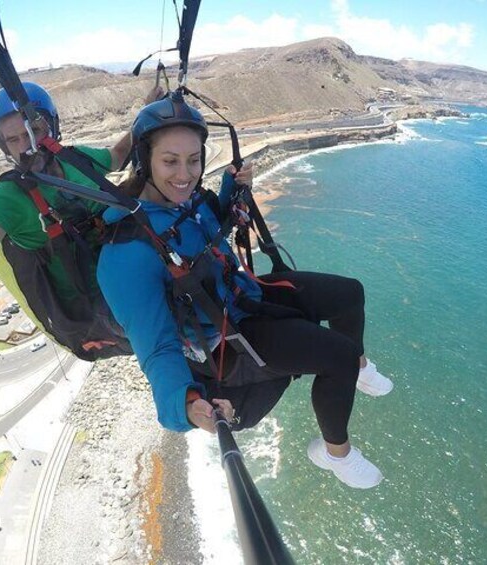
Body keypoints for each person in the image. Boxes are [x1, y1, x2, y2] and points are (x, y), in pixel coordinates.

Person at [97, 92, 394, 489]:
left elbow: (203, 228)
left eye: (194, 159)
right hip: (229, 336)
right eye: (170, 161)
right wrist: (183, 406)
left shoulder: (187, 198)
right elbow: (155, 347)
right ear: (144, 160)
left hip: (242, 295)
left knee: (349, 294)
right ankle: (334, 453)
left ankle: (357, 369)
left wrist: (229, 189)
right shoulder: (127, 250)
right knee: (337, 354)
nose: (184, 173)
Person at [0, 81, 160, 358]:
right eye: (14, 140)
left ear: (52, 128)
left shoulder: (75, 159)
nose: (27, 146)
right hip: (100, 309)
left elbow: (116, 157)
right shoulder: (9, 196)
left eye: (34, 132)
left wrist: (145, 113)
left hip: (126, 270)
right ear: (4, 147)